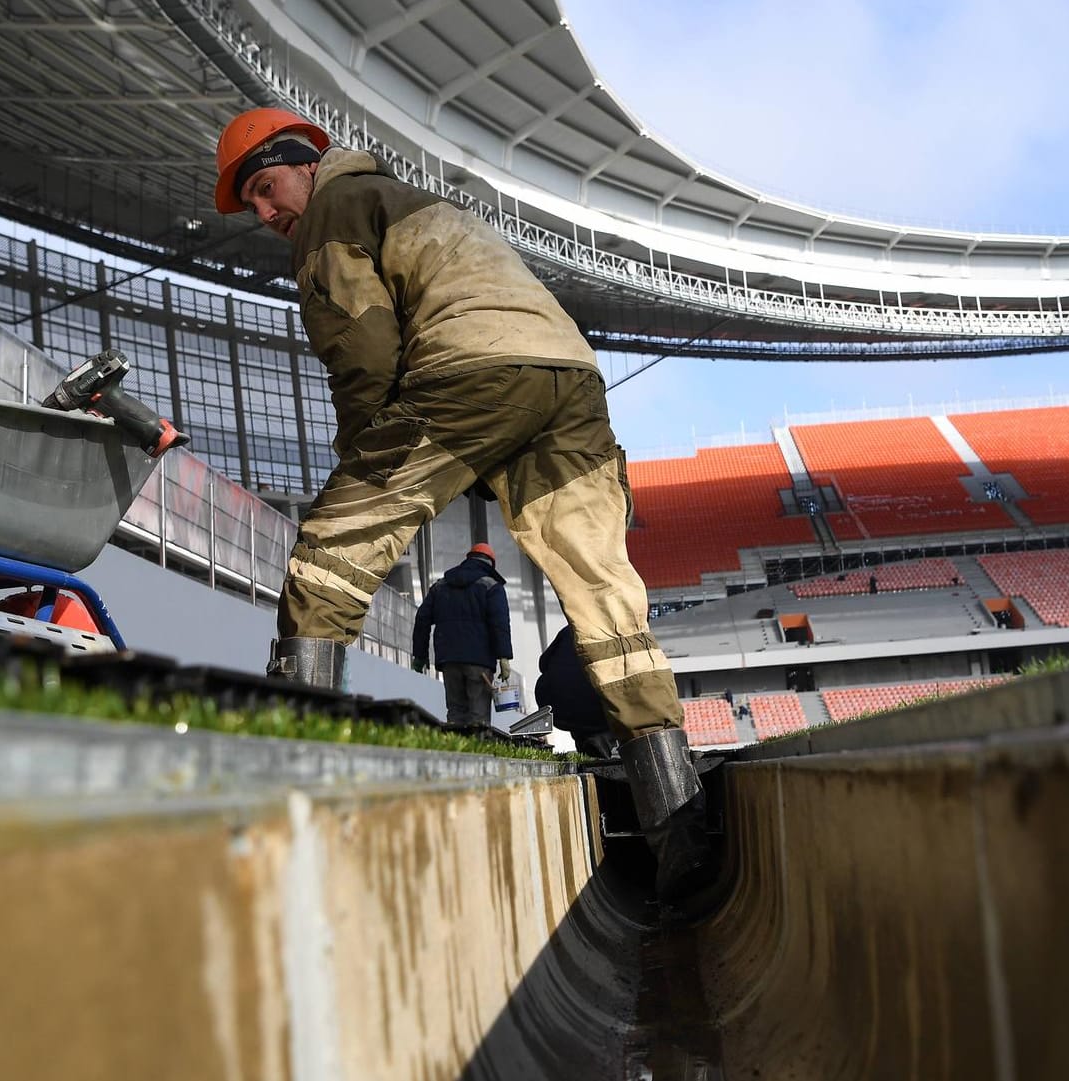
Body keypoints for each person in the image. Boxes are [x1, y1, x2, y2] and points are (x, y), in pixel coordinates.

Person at [214, 108, 712, 899]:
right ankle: (679, 822)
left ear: (307, 164)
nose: (268, 214)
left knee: (330, 555)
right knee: (608, 601)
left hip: (474, 368)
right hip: (570, 377)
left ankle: (292, 782)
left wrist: (365, 467)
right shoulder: (405, 198)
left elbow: (364, 353)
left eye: (267, 189)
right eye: (255, 206)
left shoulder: (334, 215)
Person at [411, 543, 513, 730]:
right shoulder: (492, 586)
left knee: (455, 712)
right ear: (491, 563)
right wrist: (504, 657)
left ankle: (456, 755)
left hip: (449, 660)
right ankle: (478, 757)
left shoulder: (441, 586)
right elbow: (499, 624)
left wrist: (420, 655)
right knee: (478, 717)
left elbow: (422, 618)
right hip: (479, 662)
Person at [533, 624, 616, 759]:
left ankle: (586, 744)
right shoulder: (616, 631)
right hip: (591, 706)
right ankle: (602, 739)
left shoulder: (570, 628)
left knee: (576, 700)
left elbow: (543, 663)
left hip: (554, 705)